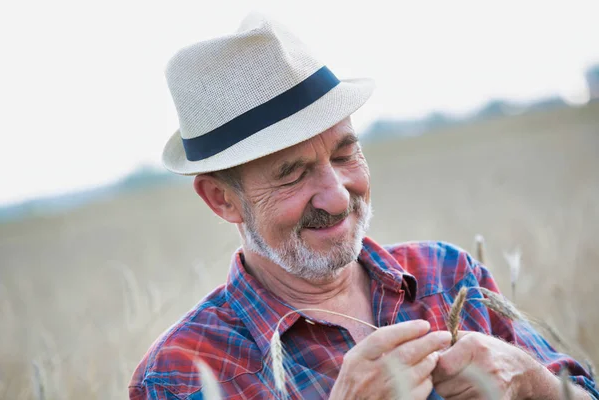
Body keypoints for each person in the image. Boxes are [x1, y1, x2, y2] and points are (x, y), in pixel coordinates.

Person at [129, 13, 598, 400]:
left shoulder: (449, 276)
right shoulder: (181, 373)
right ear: (222, 199)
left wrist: (529, 380)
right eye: (291, 173)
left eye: (344, 154)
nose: (336, 196)